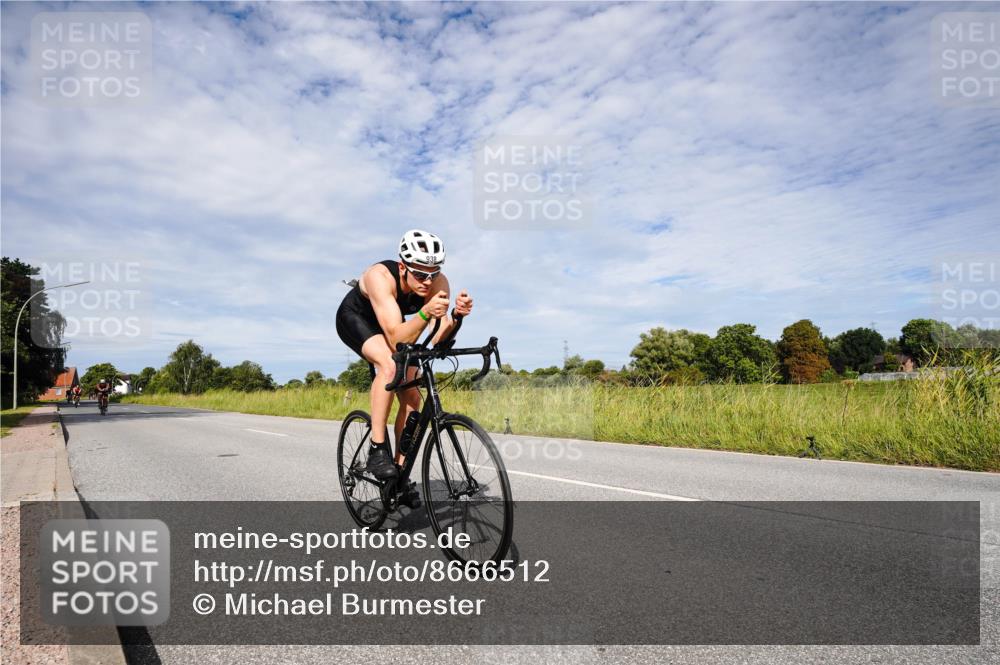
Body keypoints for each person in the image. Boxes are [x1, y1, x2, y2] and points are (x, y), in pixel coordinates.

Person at [336, 230, 473, 508]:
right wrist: (424, 313)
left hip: (397, 326)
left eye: (433, 273)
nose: (427, 281)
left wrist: (456, 317)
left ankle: (398, 475)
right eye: (420, 274)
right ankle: (377, 447)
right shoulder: (380, 276)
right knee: (388, 366)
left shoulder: (437, 282)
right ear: (402, 267)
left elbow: (437, 336)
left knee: (411, 395)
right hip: (358, 319)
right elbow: (397, 338)